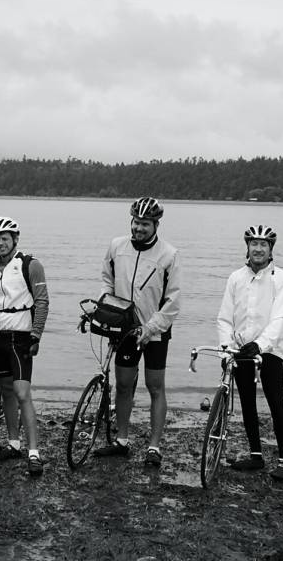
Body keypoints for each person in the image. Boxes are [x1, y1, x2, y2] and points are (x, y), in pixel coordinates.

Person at [93, 197, 181, 466]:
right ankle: (121, 440)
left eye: (145, 224)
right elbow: (107, 281)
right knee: (123, 385)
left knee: (155, 387)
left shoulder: (169, 254)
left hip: (156, 331)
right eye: (136, 222)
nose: (139, 228)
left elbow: (173, 301)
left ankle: (154, 447)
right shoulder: (116, 246)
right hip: (125, 329)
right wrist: (106, 308)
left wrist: (150, 327)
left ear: (156, 225)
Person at [0, 217, 49, 476]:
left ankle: (34, 453)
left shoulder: (30, 265)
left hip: (20, 337)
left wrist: (36, 335)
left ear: (15, 239)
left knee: (22, 393)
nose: (0, 243)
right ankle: (14, 444)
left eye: (4, 238)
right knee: (6, 391)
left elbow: (42, 301)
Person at [217, 224, 283, 481]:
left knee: (275, 402)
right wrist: (226, 350)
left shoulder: (282, 279)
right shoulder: (235, 278)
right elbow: (224, 318)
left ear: (271, 249)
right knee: (247, 402)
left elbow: (281, 318)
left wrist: (260, 344)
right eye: (254, 244)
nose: (258, 249)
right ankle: (256, 456)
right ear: (247, 247)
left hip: (270, 350)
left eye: (263, 244)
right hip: (240, 349)